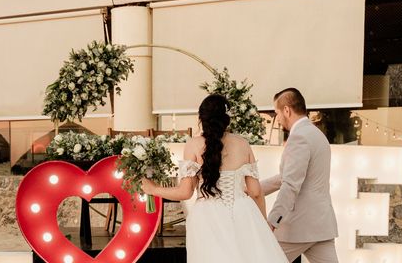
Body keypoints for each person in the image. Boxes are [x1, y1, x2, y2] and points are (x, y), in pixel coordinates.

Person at [142, 94, 288, 263]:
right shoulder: (242, 144)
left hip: (207, 217)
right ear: (227, 119)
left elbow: (185, 192)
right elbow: (256, 192)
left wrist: (153, 189)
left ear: (201, 118)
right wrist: (261, 226)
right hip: (243, 212)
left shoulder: (193, 145)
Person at [261, 88, 339, 263]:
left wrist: (273, 221)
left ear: (287, 110)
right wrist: (254, 189)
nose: (277, 118)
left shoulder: (299, 138)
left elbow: (290, 185)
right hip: (321, 225)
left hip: (298, 227)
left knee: (263, 258)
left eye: (277, 113)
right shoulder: (318, 135)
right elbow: (285, 177)